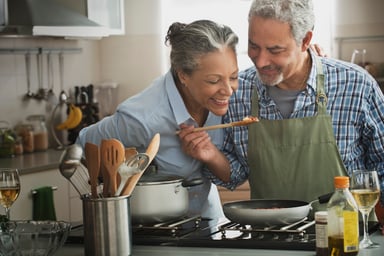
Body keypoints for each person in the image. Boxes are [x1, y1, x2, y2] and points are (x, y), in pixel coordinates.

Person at [204, 0, 384, 208]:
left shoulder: (356, 85)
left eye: (275, 50)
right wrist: (209, 154)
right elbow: (235, 176)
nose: (260, 61)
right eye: (254, 46)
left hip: (344, 235)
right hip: (270, 236)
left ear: (305, 40)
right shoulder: (237, 91)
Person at [76, 19, 239, 219]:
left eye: (233, 77)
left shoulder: (223, 103)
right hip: (152, 229)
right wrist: (117, 183)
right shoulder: (142, 118)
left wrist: (212, 155)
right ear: (183, 76)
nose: (228, 90)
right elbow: (84, 145)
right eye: (213, 80)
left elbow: (232, 175)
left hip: (208, 221)